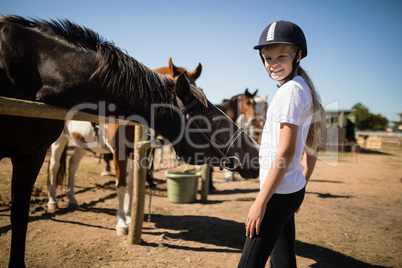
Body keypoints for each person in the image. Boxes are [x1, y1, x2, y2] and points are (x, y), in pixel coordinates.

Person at [238, 20, 325, 267]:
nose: (273, 64)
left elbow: (286, 152)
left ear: (298, 55)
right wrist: (302, 184)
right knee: (283, 260)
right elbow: (314, 143)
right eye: (268, 58)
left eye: (281, 57)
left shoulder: (289, 93)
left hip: (278, 194)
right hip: (289, 190)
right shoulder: (301, 87)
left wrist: (260, 202)